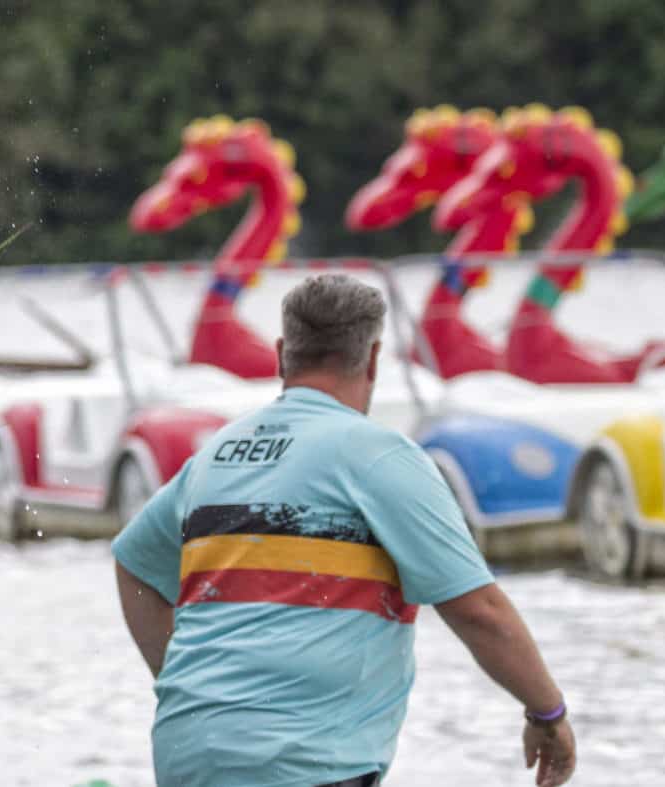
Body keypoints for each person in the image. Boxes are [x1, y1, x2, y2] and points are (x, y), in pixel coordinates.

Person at [112, 274, 575, 787]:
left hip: (188, 754)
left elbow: (133, 564)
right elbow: (478, 611)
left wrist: (196, 692)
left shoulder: (216, 454)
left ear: (282, 354)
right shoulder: (378, 457)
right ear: (374, 359)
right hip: (303, 762)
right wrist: (547, 713)